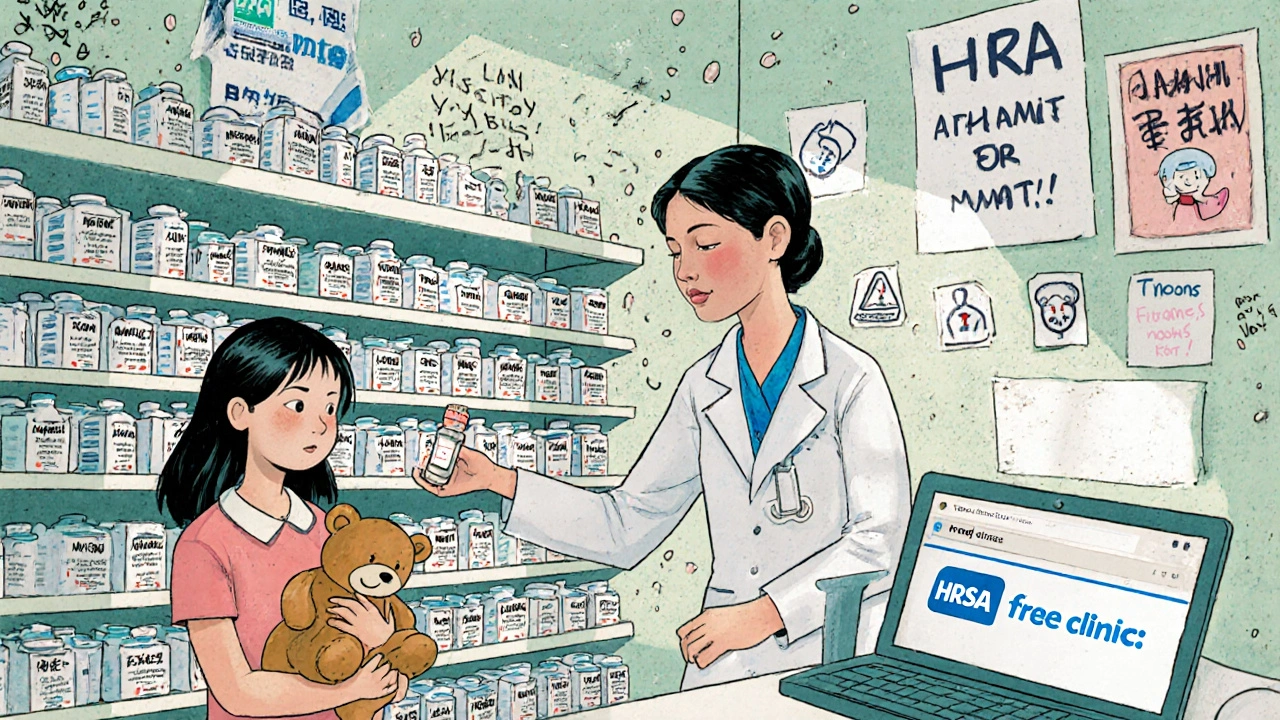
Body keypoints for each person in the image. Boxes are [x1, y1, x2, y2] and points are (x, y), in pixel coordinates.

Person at [415, 145, 912, 689]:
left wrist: (763, 615)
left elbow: (880, 540)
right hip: (725, 661)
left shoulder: (849, 377)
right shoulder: (705, 384)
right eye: (676, 251)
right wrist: (497, 480)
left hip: (829, 652)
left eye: (705, 243)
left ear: (774, 238)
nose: (686, 271)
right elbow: (627, 524)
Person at [157, 317, 409, 720]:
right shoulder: (204, 545)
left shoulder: (332, 531)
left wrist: (386, 648)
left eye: (330, 407)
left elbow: (382, 668)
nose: (322, 424)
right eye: (297, 405)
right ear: (241, 412)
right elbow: (237, 691)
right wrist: (353, 688)